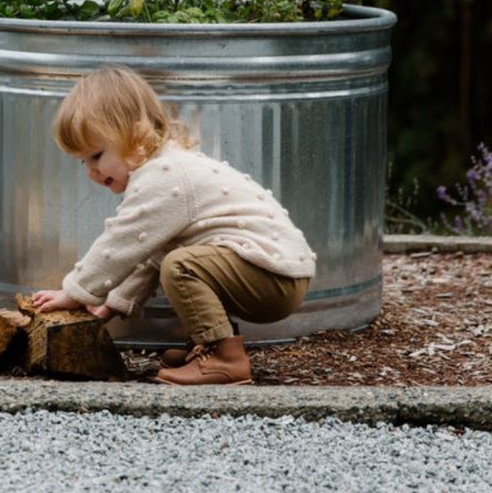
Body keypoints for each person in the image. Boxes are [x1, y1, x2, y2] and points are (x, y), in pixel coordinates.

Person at [31, 66, 315, 385]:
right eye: (83, 161)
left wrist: (75, 290)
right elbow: (146, 253)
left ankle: (225, 358)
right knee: (178, 258)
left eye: (96, 155)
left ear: (135, 133)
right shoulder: (163, 169)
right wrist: (111, 303)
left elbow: (122, 242)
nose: (90, 171)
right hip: (271, 273)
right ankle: (207, 346)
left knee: (180, 266)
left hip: (272, 277)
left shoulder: (162, 176)